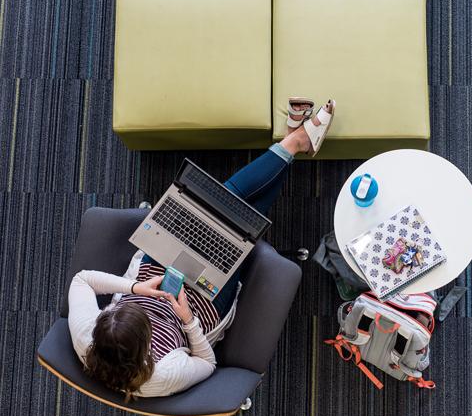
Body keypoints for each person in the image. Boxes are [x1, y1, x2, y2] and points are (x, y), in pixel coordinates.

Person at [68, 99, 335, 400]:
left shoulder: (86, 336)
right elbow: (208, 363)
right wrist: (186, 320)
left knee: (229, 215)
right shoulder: (160, 375)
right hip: (202, 307)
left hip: (151, 278)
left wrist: (135, 287)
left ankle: (292, 144)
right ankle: (293, 143)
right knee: (229, 217)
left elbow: (82, 280)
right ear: (145, 347)